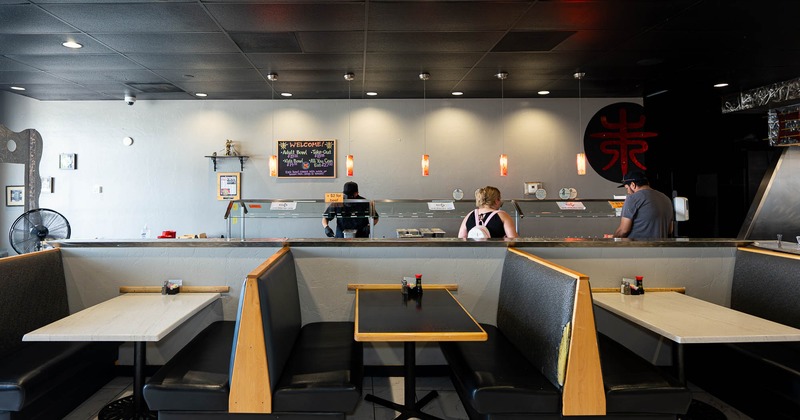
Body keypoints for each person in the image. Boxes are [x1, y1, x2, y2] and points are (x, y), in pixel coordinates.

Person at [613, 170, 674, 239]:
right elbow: (670, 230)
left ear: (633, 185)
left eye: (627, 188)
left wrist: (612, 240)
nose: (628, 192)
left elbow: (623, 230)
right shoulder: (666, 198)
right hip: (660, 248)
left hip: (639, 248)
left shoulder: (632, 198)